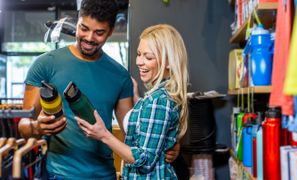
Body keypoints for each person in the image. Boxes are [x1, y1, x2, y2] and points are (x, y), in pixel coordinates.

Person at [18, 1, 178, 179]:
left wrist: (167, 141)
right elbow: (23, 126)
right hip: (59, 174)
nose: (89, 37)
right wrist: (37, 127)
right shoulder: (45, 64)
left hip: (104, 175)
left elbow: (132, 132)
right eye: (84, 28)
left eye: (99, 32)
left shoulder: (120, 76)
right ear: (77, 22)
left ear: (110, 32)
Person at [76, 24, 189, 179]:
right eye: (139, 54)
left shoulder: (157, 102)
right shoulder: (158, 97)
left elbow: (144, 161)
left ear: (169, 62)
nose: (139, 62)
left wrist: (104, 135)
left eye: (148, 57)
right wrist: (136, 97)